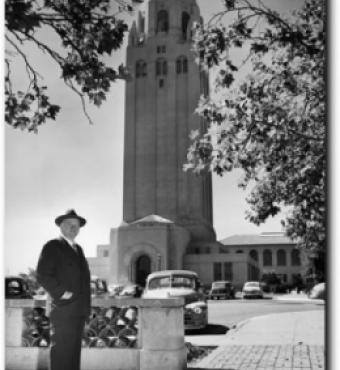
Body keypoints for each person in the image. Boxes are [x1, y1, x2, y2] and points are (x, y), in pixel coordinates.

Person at [36, 209, 91, 370]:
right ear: (60, 226)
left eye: (76, 225)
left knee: (74, 356)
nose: (73, 228)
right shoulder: (53, 246)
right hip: (63, 310)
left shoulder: (79, 250)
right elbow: (42, 275)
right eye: (69, 224)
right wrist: (61, 293)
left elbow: (84, 283)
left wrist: (87, 312)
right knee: (61, 355)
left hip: (79, 312)